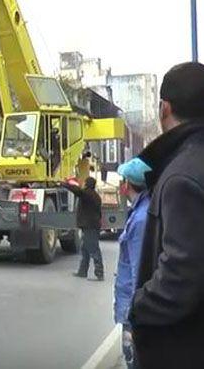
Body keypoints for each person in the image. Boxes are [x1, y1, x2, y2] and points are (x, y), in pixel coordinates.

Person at [129, 62, 204, 368]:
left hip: (182, 347)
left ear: (164, 109)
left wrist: (138, 308)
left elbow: (180, 275)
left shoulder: (181, 176)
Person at [114, 158, 152, 369]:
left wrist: (134, 316)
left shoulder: (140, 219)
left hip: (134, 309)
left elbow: (140, 271)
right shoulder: (140, 211)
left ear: (127, 184)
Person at [62, 176, 104, 280]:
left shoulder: (88, 194)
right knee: (85, 250)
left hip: (90, 226)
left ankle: (99, 273)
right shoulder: (95, 196)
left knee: (93, 249)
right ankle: (82, 271)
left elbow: (77, 191)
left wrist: (64, 184)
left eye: (85, 183)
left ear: (87, 184)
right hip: (92, 226)